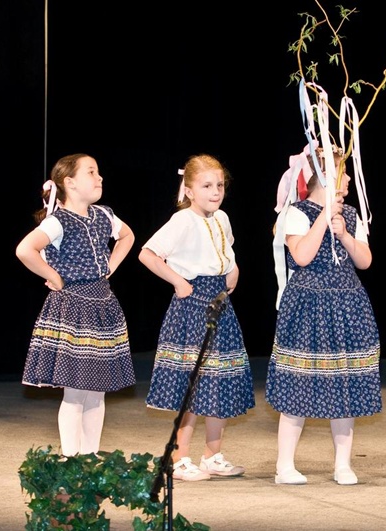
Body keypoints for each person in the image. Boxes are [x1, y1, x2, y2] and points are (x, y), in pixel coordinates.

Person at [266, 145, 382, 486]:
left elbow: (365, 261)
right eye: (343, 173)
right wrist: (324, 218)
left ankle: (342, 464)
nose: (348, 179)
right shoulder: (296, 213)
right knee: (298, 382)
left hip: (347, 305)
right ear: (325, 177)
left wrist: (343, 233)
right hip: (308, 306)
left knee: (343, 384)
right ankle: (284, 465)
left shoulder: (352, 215)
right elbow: (302, 256)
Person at [139, 154, 255, 482]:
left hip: (220, 303)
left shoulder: (222, 218)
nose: (215, 192)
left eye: (219, 185)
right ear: (189, 191)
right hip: (193, 305)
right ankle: (178, 458)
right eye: (206, 186)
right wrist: (178, 281)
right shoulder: (183, 221)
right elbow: (148, 254)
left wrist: (233, 268)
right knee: (193, 384)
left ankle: (212, 455)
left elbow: (225, 250)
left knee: (219, 380)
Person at [16, 153, 136, 457]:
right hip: (73, 309)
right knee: (75, 391)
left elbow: (127, 236)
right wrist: (54, 276)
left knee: (96, 391)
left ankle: (90, 456)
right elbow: (25, 249)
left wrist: (110, 267)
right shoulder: (59, 221)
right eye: (91, 172)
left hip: (102, 305)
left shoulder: (104, 215)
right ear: (69, 183)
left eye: (98, 172)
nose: (99, 177)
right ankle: (71, 458)